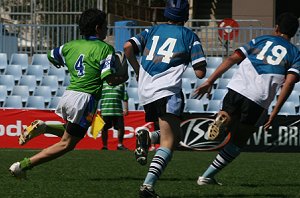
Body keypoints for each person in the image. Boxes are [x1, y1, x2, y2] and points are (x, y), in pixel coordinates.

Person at [9, 8, 128, 179]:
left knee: (71, 132)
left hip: (69, 94)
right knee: (67, 144)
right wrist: (121, 78)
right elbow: (108, 79)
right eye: (105, 27)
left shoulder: (70, 45)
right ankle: (22, 166)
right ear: (97, 28)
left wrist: (62, 64)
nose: (107, 30)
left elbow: (51, 55)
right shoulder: (105, 49)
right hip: (85, 99)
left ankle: (44, 127)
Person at [193, 12, 300, 185]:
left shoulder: (261, 39)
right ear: (294, 33)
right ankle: (206, 176)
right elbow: (289, 84)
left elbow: (233, 58)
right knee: (239, 141)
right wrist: (275, 111)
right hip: (259, 98)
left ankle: (223, 118)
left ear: (277, 28)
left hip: (236, 87)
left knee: (229, 114)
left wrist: (210, 80)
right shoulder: (295, 53)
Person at [123, 0, 207, 197]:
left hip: (145, 91)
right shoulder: (189, 35)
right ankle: (148, 186)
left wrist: (137, 69)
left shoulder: (152, 31)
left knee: (175, 136)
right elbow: (200, 72)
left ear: (166, 13)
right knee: (169, 142)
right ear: (185, 16)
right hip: (168, 90)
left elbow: (128, 47)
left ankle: (149, 137)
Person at [100, 81, 129, 150]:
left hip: (118, 111)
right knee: (104, 129)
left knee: (121, 128)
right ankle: (105, 146)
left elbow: (125, 97)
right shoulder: (102, 84)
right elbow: (96, 97)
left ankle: (120, 145)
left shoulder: (121, 84)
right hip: (105, 111)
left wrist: (126, 109)